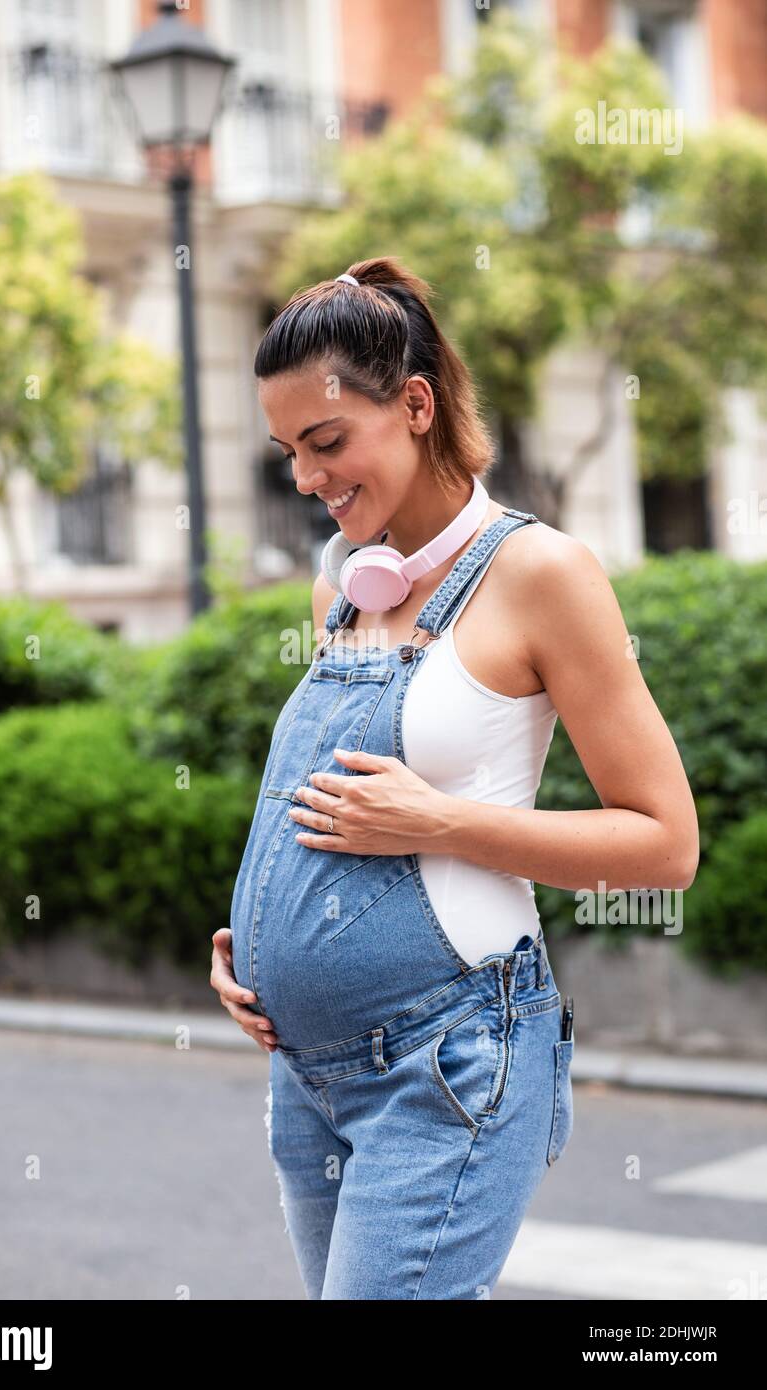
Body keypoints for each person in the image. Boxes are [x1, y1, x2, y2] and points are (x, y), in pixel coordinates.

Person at [210, 257, 699, 1300]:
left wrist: (439, 820)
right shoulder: (340, 590)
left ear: (416, 405)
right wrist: (255, 948)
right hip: (306, 1074)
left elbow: (662, 843)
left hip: (447, 1061)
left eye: (327, 440)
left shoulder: (541, 575)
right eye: (288, 450)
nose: (305, 477)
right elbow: (324, 809)